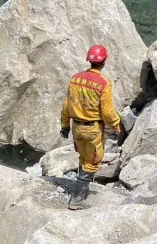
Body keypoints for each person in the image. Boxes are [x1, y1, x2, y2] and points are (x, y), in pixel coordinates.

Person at [60, 45, 125, 210]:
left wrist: (65, 125)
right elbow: (108, 112)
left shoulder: (75, 79)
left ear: (89, 60)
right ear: (103, 62)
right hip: (92, 129)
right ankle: (77, 199)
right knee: (93, 161)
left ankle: (82, 189)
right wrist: (117, 126)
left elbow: (67, 105)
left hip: (76, 127)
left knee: (83, 157)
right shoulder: (104, 84)